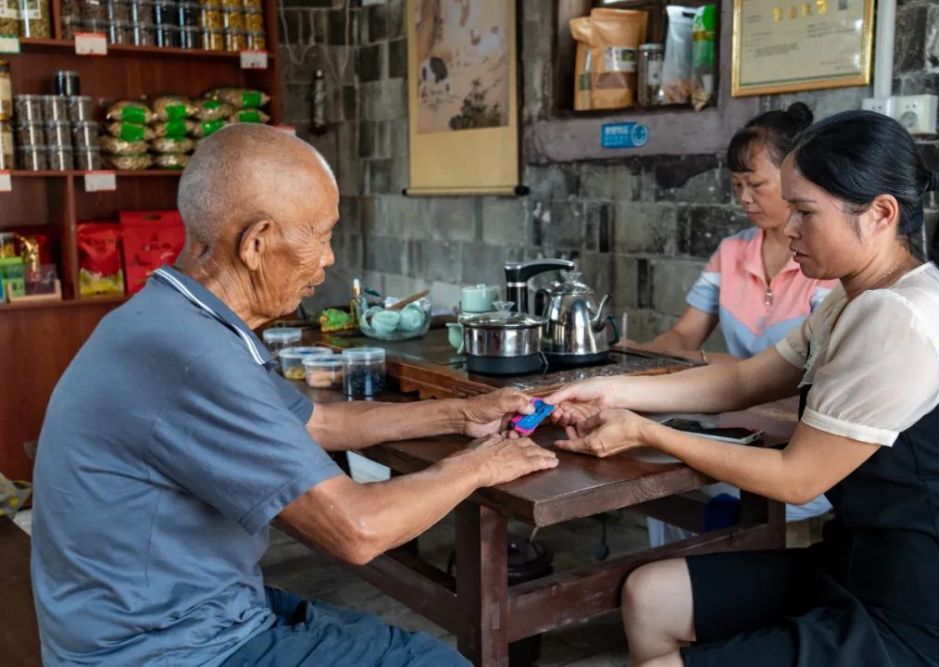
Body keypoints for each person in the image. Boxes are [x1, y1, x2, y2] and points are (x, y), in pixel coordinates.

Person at [30, 125, 558, 667]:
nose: (328, 259)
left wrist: (461, 412)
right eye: (320, 234)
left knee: (387, 640)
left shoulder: (174, 317)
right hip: (162, 650)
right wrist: (478, 465)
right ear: (255, 243)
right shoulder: (192, 354)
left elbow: (317, 425)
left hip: (176, 614)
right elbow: (357, 530)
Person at [547, 110, 939, 666]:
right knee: (649, 596)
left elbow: (796, 477)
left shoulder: (899, 316)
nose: (788, 229)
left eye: (805, 212)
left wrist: (646, 433)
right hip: (853, 566)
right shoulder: (855, 296)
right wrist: (612, 391)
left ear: (881, 213)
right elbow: (742, 379)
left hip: (922, 618)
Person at [634, 103, 838, 540]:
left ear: (794, 177)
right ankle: (678, 590)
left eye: (757, 184)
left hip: (799, 442)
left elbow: (807, 375)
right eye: (737, 185)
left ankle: (702, 591)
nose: (744, 197)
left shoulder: (826, 260)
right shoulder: (732, 252)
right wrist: (630, 363)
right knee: (651, 475)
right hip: (732, 423)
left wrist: (704, 360)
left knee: (693, 478)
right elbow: (683, 334)